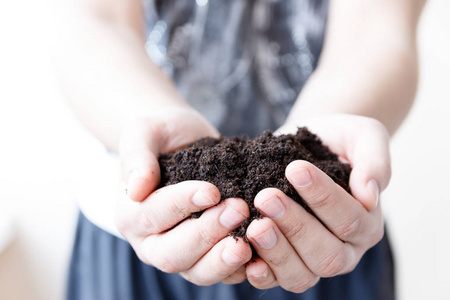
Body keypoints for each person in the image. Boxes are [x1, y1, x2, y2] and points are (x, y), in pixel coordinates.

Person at [58, 0, 426, 299]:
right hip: (146, 224)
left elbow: (377, 25)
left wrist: (329, 127)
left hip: (323, 231)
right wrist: (150, 120)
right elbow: (95, 21)